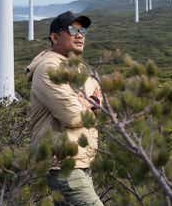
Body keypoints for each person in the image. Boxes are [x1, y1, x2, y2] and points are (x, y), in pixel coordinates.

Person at [25, 11, 104, 206]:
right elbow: (73, 116)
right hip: (63, 167)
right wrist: (89, 104)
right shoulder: (49, 69)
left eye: (83, 30)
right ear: (54, 37)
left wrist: (88, 102)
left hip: (80, 163)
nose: (80, 35)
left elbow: (98, 101)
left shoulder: (77, 68)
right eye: (73, 29)